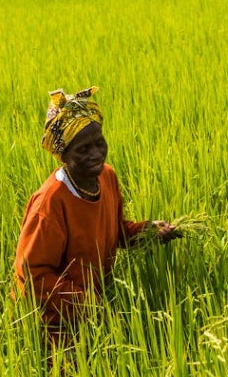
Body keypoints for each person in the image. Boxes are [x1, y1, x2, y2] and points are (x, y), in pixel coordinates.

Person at [13, 87, 181, 348]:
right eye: (83, 149)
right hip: (54, 324)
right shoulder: (50, 204)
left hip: (95, 311)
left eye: (99, 143)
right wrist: (86, 303)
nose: (96, 154)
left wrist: (147, 230)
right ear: (64, 155)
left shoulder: (106, 177)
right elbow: (32, 274)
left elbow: (115, 231)